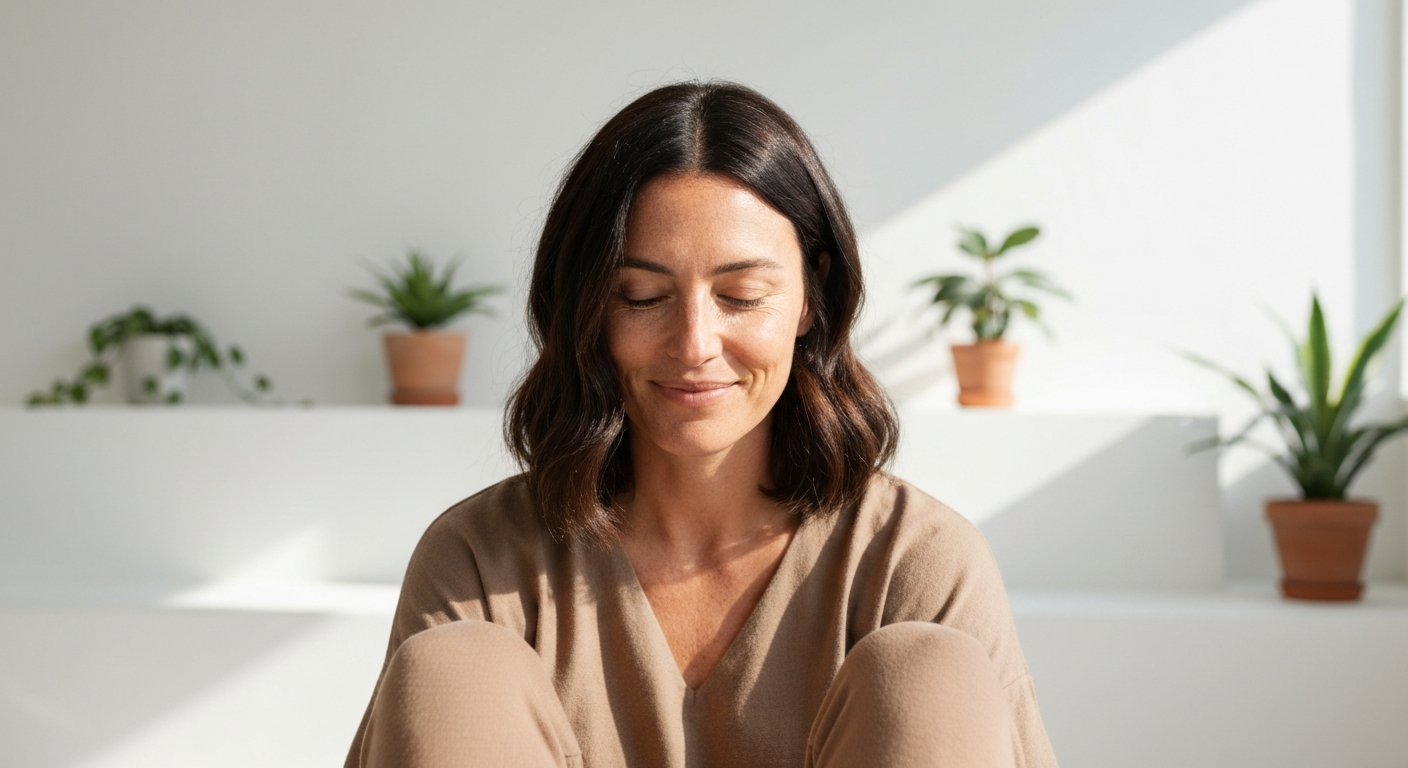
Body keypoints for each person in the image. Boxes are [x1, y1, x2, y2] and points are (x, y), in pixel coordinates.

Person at [345, 81, 1057, 768]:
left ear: (811, 298)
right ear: (586, 307)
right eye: (641, 296)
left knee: (928, 668)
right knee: (456, 668)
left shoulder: (916, 563)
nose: (693, 345)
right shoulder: (479, 560)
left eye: (741, 296)